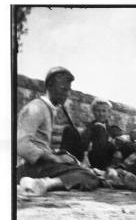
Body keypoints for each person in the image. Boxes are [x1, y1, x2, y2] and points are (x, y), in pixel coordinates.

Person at [17, 66, 100, 196]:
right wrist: (51, 157)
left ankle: (38, 183)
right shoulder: (36, 108)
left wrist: (57, 155)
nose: (66, 94)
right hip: (29, 167)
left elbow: (39, 143)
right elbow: (21, 145)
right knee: (87, 176)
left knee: (85, 171)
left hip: (37, 166)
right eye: (63, 89)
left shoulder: (47, 108)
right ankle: (43, 184)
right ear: (49, 86)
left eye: (68, 91)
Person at [60, 97, 118, 170]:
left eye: (104, 111)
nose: (101, 114)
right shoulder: (90, 127)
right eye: (98, 111)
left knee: (99, 129)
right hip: (88, 157)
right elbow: (83, 144)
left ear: (108, 113)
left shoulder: (113, 130)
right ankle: (62, 158)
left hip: (103, 161)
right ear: (93, 112)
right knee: (69, 129)